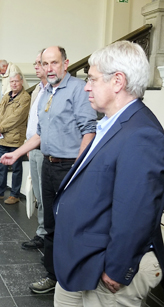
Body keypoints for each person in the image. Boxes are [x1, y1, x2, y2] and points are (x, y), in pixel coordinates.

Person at [52, 41, 164, 307]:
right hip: (84, 257)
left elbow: (136, 211)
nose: (86, 86)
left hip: (109, 267)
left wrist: (117, 268)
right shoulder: (113, 123)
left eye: (91, 79)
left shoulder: (141, 134)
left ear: (117, 81)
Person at [0, 46, 97, 294]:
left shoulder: (78, 89)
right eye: (45, 63)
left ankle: (76, 277)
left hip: (69, 167)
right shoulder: (45, 93)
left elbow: (89, 130)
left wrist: (78, 168)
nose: (49, 68)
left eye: (54, 62)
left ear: (66, 63)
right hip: (49, 165)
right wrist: (17, 152)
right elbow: (40, 135)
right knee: (51, 224)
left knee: (72, 224)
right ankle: (53, 276)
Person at [0, 72, 30, 205]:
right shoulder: (6, 96)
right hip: (2, 138)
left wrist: (1, 127)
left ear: (21, 82)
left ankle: (15, 195)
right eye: (12, 82)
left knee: (16, 168)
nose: (14, 84)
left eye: (16, 81)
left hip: (15, 138)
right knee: (1, 166)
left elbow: (17, 118)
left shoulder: (25, 98)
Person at [21, 51, 48, 250]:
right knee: (38, 193)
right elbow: (32, 120)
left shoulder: (55, 90)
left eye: (40, 63)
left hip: (46, 149)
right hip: (34, 146)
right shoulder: (37, 89)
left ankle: (47, 234)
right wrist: (27, 143)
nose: (36, 66)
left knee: (46, 195)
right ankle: (42, 232)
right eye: (35, 63)